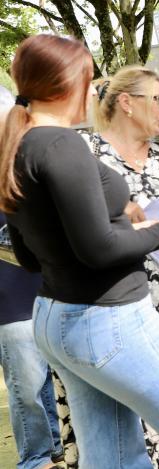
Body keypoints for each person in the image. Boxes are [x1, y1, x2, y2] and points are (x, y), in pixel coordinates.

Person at [0, 34, 159, 469]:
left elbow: (29, 255)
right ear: (69, 81)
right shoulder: (62, 144)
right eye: (90, 79)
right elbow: (99, 249)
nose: (93, 90)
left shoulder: (19, 146)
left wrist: (114, 216)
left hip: (56, 317)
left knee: (113, 459)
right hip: (108, 317)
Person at [0, 86, 63, 469]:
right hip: (9, 295)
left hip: (43, 287)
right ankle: (37, 459)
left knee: (42, 383)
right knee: (26, 387)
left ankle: (52, 450)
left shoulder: (22, 160)